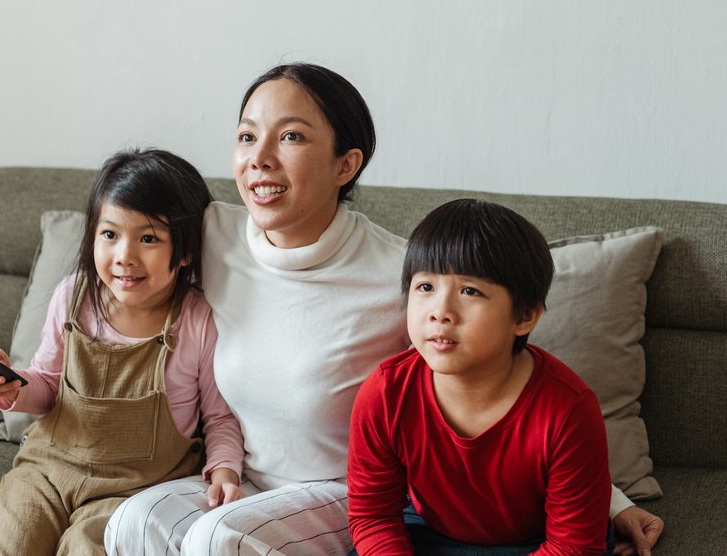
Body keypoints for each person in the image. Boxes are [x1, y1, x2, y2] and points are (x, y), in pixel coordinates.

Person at [104, 63, 664, 556]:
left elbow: (499, 376)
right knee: (135, 521)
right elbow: (116, 262)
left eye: (291, 136)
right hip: (239, 475)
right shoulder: (211, 235)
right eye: (247, 136)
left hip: (347, 491)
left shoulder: (406, 278)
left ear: (346, 165)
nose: (259, 160)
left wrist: (608, 500)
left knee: (218, 540)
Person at [0, 148, 244, 556]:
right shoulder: (72, 298)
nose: (124, 256)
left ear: (185, 252)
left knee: (87, 548)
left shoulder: (197, 320)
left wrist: (224, 471)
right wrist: (12, 385)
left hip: (134, 488)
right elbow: (47, 384)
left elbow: (219, 416)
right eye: (110, 234)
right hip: (48, 470)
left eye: (148, 238)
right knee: (10, 543)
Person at [348, 198, 613, 555]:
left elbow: (572, 545)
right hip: (429, 534)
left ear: (525, 316)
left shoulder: (569, 409)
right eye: (425, 287)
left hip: (537, 544)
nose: (440, 312)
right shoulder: (385, 393)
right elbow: (374, 516)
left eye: (470, 291)